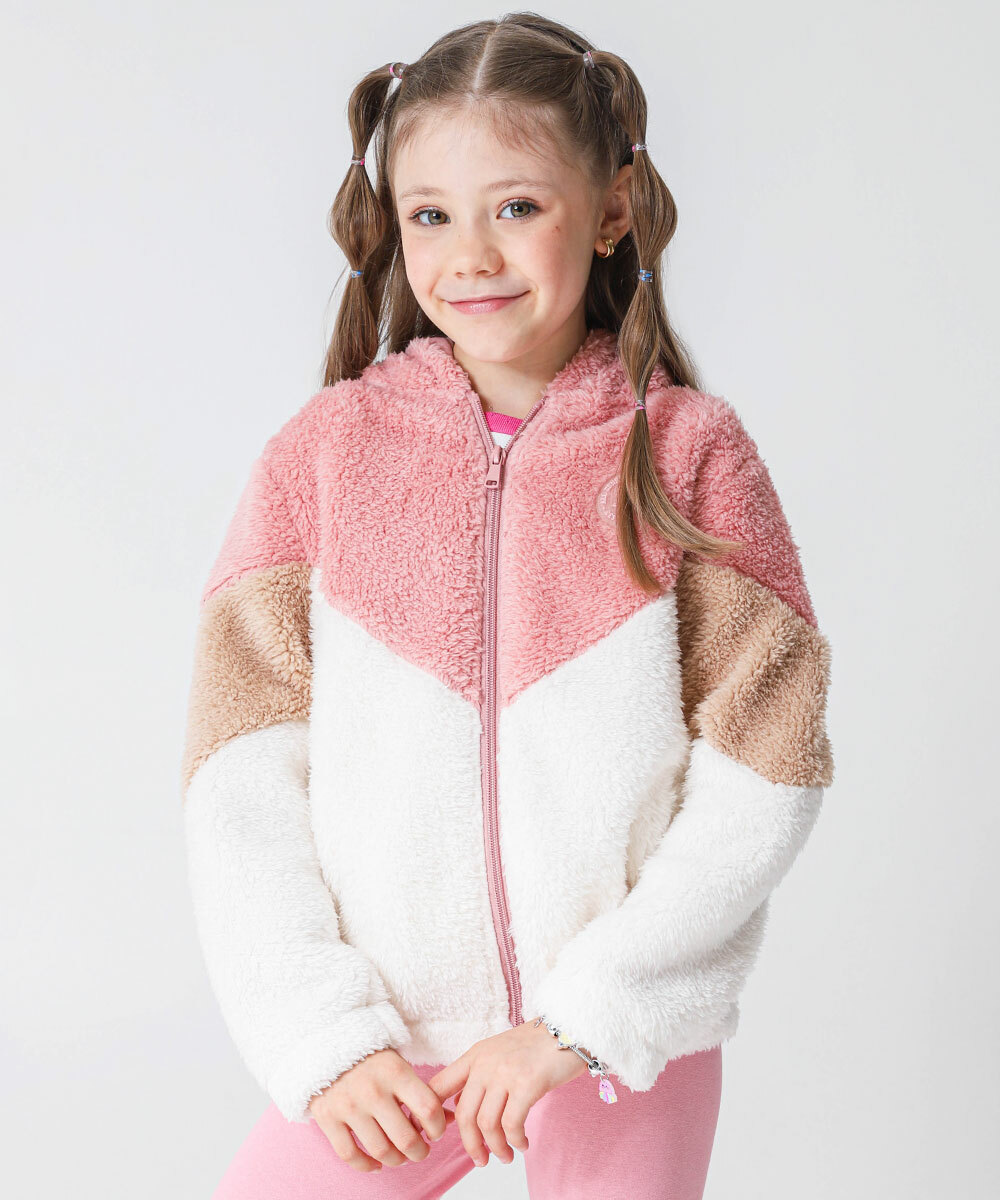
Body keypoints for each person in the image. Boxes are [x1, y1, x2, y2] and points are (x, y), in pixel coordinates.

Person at [180, 13, 835, 1199]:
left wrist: (587, 1014)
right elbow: (239, 777)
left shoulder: (690, 454)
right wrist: (322, 1035)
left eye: (517, 206)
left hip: (614, 1039)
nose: (470, 255)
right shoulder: (324, 455)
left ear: (612, 209)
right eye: (430, 214)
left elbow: (767, 768)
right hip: (387, 1047)